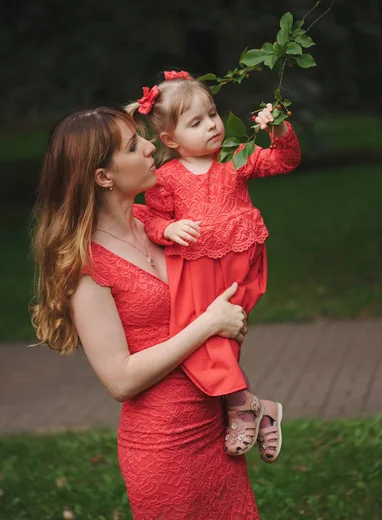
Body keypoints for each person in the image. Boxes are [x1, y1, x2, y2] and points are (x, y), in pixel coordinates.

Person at [31, 106, 261, 520]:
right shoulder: (85, 266)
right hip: (164, 446)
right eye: (135, 146)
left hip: (215, 427)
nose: (151, 147)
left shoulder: (154, 223)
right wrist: (209, 324)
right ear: (103, 177)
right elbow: (121, 379)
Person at [126, 70, 301, 462]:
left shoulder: (235, 157)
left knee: (221, 334)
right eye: (196, 122)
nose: (211, 126)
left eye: (212, 114)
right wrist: (170, 227)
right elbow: (153, 221)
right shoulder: (165, 178)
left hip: (242, 257)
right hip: (197, 266)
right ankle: (251, 407)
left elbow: (284, 161)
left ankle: (245, 406)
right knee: (201, 334)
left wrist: (279, 128)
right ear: (170, 140)